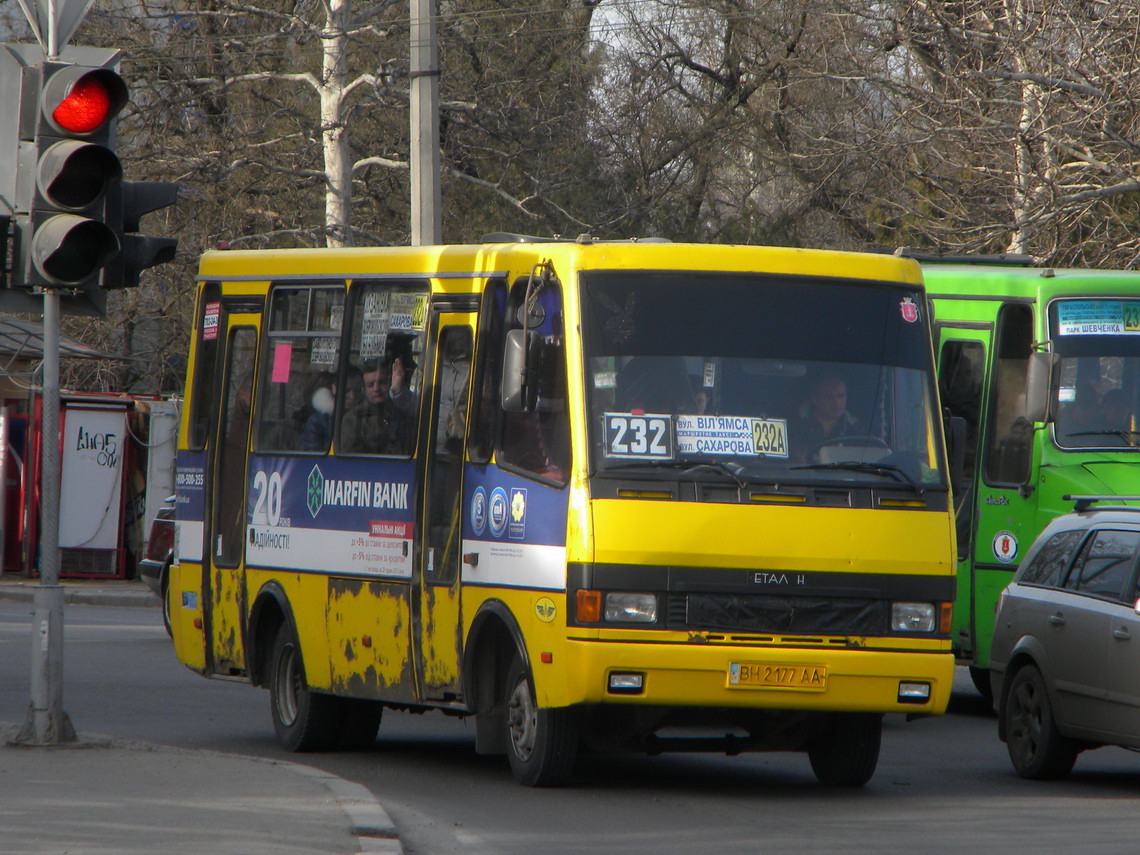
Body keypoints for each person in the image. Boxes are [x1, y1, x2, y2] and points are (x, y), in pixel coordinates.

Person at [339, 359, 410, 454]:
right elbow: (352, 457)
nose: (376, 389)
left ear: (389, 383)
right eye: (370, 385)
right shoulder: (353, 419)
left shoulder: (402, 415)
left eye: (382, 383)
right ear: (363, 388)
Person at [794, 375, 857, 463]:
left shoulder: (855, 428)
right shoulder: (796, 425)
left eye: (841, 396)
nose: (836, 402)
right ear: (815, 400)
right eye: (829, 397)